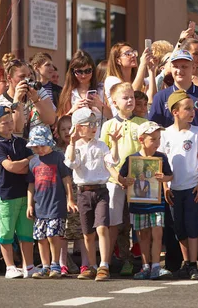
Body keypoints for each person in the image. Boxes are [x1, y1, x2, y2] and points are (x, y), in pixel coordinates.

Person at [65, 108, 121, 281]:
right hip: (83, 193)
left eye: (95, 123)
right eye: (89, 124)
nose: (93, 127)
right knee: (87, 233)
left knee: (102, 227)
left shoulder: (101, 145)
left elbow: (113, 160)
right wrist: (73, 143)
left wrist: (115, 144)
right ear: (77, 127)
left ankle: (104, 265)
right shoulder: (74, 147)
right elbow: (72, 163)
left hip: (101, 191)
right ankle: (91, 265)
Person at [100, 82, 147, 276]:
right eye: (125, 98)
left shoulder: (142, 124)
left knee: (140, 222)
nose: (130, 101)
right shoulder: (108, 125)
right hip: (114, 181)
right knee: (114, 222)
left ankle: (145, 263)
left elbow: (146, 154)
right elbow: (103, 156)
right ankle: (108, 261)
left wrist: (134, 178)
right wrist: (118, 177)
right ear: (114, 102)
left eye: (132, 97)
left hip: (138, 181)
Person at [159, 90, 198, 279]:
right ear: (175, 111)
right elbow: (162, 162)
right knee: (179, 228)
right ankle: (186, 262)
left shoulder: (196, 132)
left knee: (193, 226)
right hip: (173, 189)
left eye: (193, 108)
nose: (192, 111)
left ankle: (194, 263)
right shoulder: (165, 134)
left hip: (192, 187)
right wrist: (165, 187)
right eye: (187, 108)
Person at [118, 121, 173, 280]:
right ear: (141, 140)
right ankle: (145, 266)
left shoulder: (161, 157)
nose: (157, 143)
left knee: (158, 233)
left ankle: (156, 265)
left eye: (159, 139)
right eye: (153, 139)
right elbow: (122, 177)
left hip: (157, 202)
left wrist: (164, 178)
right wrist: (126, 181)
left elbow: (170, 175)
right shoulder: (132, 159)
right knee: (143, 236)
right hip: (138, 204)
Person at [0, 106, 35, 279]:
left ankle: (28, 266)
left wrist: (20, 165)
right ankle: (10, 266)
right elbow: (9, 167)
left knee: (26, 232)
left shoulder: (22, 142)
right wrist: (25, 162)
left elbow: (31, 165)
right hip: (6, 195)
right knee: (6, 233)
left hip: (24, 193)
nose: (9, 125)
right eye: (4, 123)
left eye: (10, 121)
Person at [26, 126, 77, 278]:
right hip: (40, 205)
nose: (40, 149)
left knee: (53, 235)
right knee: (40, 237)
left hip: (56, 204)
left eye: (42, 145)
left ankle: (56, 264)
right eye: (36, 146)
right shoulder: (33, 162)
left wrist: (70, 198)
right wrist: (30, 204)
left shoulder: (58, 157)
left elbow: (66, 179)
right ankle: (45, 266)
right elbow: (31, 184)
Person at [149, 49, 198, 145]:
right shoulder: (161, 97)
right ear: (170, 68)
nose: (179, 71)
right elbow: (153, 129)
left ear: (193, 68)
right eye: (175, 66)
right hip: (170, 153)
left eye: (184, 66)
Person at [54, 116, 86, 275]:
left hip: (80, 192)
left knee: (82, 228)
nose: (67, 132)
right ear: (58, 133)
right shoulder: (57, 152)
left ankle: (85, 264)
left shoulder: (82, 147)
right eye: (63, 129)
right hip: (63, 195)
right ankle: (62, 263)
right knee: (64, 231)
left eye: (70, 128)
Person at [0, 59, 55, 138]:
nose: (27, 80)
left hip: (42, 147)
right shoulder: (1, 103)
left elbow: (50, 120)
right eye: (22, 76)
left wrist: (36, 100)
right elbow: (17, 128)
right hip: (19, 147)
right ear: (9, 78)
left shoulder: (38, 91)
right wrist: (17, 101)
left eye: (29, 75)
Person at [57, 50, 110, 124]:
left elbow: (114, 116)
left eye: (87, 71)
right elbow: (62, 124)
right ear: (72, 72)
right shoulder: (69, 92)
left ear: (93, 70)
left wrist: (99, 105)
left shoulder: (102, 89)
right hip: (78, 134)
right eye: (79, 72)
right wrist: (73, 110)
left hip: (100, 134)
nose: (83, 75)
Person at [105, 42, 154, 117]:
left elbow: (153, 99)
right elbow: (131, 93)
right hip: (122, 125)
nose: (133, 55)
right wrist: (142, 65)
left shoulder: (143, 81)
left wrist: (152, 71)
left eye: (133, 52)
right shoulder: (111, 80)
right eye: (128, 54)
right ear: (118, 60)